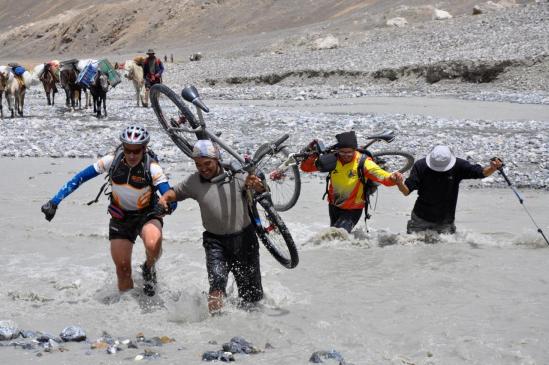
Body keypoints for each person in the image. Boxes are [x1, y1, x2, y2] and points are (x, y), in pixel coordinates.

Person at [40, 125, 176, 296]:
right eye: (128, 150)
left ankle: (149, 268)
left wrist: (167, 205)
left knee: (152, 243)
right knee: (122, 268)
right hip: (121, 217)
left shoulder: (152, 167)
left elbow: (170, 196)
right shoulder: (112, 161)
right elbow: (80, 178)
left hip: (147, 214)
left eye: (136, 151)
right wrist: (55, 201)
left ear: (144, 148)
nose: (132, 155)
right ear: (123, 148)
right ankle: (126, 308)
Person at [157, 140, 265, 314]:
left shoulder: (236, 175)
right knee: (216, 288)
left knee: (252, 299)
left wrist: (257, 185)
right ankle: (216, 331)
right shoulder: (194, 181)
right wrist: (163, 199)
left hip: (245, 239)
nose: (203, 168)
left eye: (207, 163)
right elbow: (173, 193)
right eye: (198, 164)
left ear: (217, 159)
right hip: (215, 243)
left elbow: (260, 189)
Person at [300, 131, 403, 233]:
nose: (346, 155)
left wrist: (394, 178)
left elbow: (384, 178)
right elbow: (306, 168)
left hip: (353, 209)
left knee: (337, 236)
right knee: (333, 235)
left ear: (355, 150)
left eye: (349, 152)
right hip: (334, 205)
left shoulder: (364, 163)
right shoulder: (332, 160)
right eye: (342, 152)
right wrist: (313, 155)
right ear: (338, 150)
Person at [394, 145, 503, 234]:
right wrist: (399, 183)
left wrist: (493, 168)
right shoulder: (421, 166)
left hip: (445, 221)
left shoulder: (459, 165)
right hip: (420, 219)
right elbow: (406, 191)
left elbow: (481, 173)